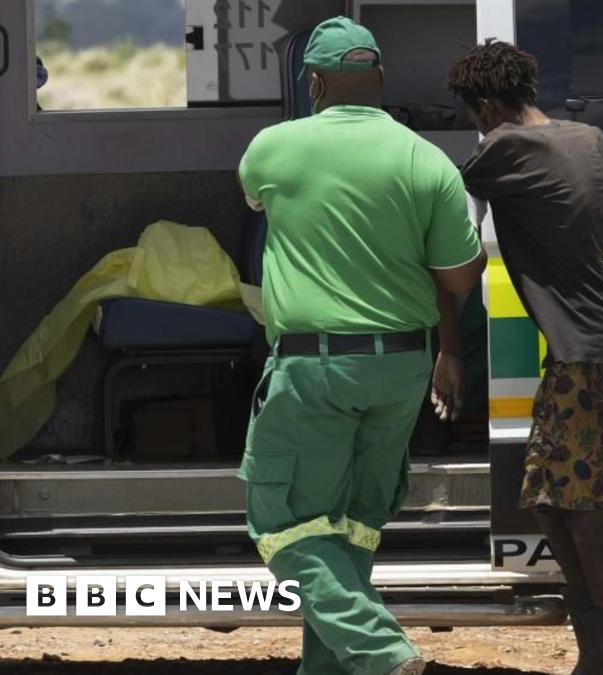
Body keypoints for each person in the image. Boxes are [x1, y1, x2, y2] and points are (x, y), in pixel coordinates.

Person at [236, 16, 485, 675]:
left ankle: (384, 653)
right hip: (403, 366)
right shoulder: (426, 159)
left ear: (315, 82)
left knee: (282, 522)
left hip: (316, 367)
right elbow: (460, 277)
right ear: (379, 80)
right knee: (350, 530)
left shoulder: (273, 148)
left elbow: (255, 203)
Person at [447, 39, 603, 675]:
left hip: (581, 355)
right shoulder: (589, 138)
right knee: (549, 499)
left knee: (580, 514)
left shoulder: (502, 149)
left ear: (485, 106)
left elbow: (435, 198)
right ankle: (602, 650)